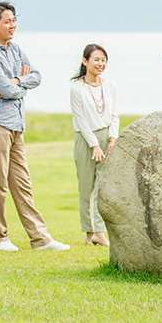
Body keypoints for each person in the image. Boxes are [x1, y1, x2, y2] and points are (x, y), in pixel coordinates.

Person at [0, 1, 69, 251]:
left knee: (22, 183)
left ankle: (40, 238)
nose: (13, 25)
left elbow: (35, 77)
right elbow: (5, 90)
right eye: (7, 21)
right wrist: (15, 86)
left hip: (16, 124)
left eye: (14, 20)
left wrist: (18, 79)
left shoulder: (15, 49)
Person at [70, 44, 119, 246]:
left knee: (102, 186)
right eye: (96, 59)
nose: (100, 64)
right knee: (86, 187)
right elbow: (81, 120)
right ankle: (89, 232)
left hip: (106, 137)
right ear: (85, 61)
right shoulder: (77, 88)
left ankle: (100, 231)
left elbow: (114, 114)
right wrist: (94, 145)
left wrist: (112, 138)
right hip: (85, 139)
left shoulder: (110, 86)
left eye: (103, 60)